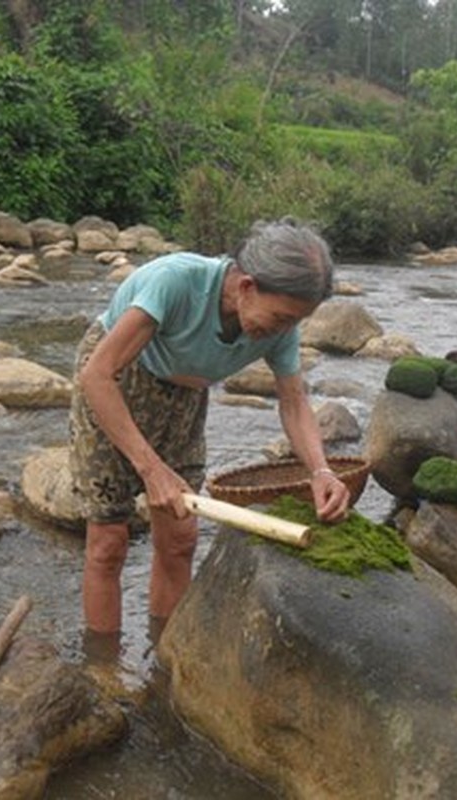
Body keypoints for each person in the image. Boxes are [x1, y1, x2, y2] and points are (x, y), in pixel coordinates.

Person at [69, 218, 351, 639]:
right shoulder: (175, 283)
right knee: (109, 542)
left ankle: (162, 655)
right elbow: (97, 376)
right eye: (280, 318)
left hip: (185, 397)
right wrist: (151, 468)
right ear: (246, 286)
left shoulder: (280, 327)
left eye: (295, 322)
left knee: (180, 538)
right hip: (117, 381)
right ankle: (104, 671)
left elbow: (294, 402)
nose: (283, 331)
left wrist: (321, 471)